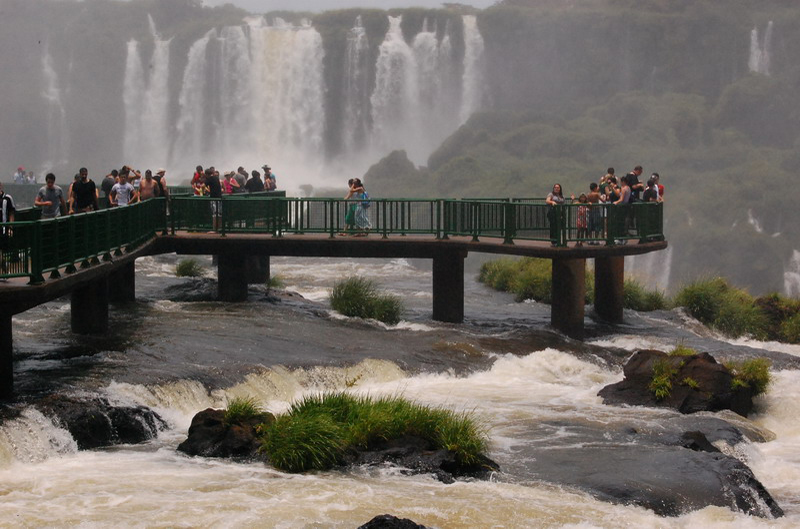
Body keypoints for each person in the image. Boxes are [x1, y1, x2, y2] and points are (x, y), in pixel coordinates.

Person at [0, 182, 15, 275]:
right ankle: (4, 266)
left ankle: (4, 267)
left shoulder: (7, 198)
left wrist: (11, 227)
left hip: (3, 228)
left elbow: (11, 213)